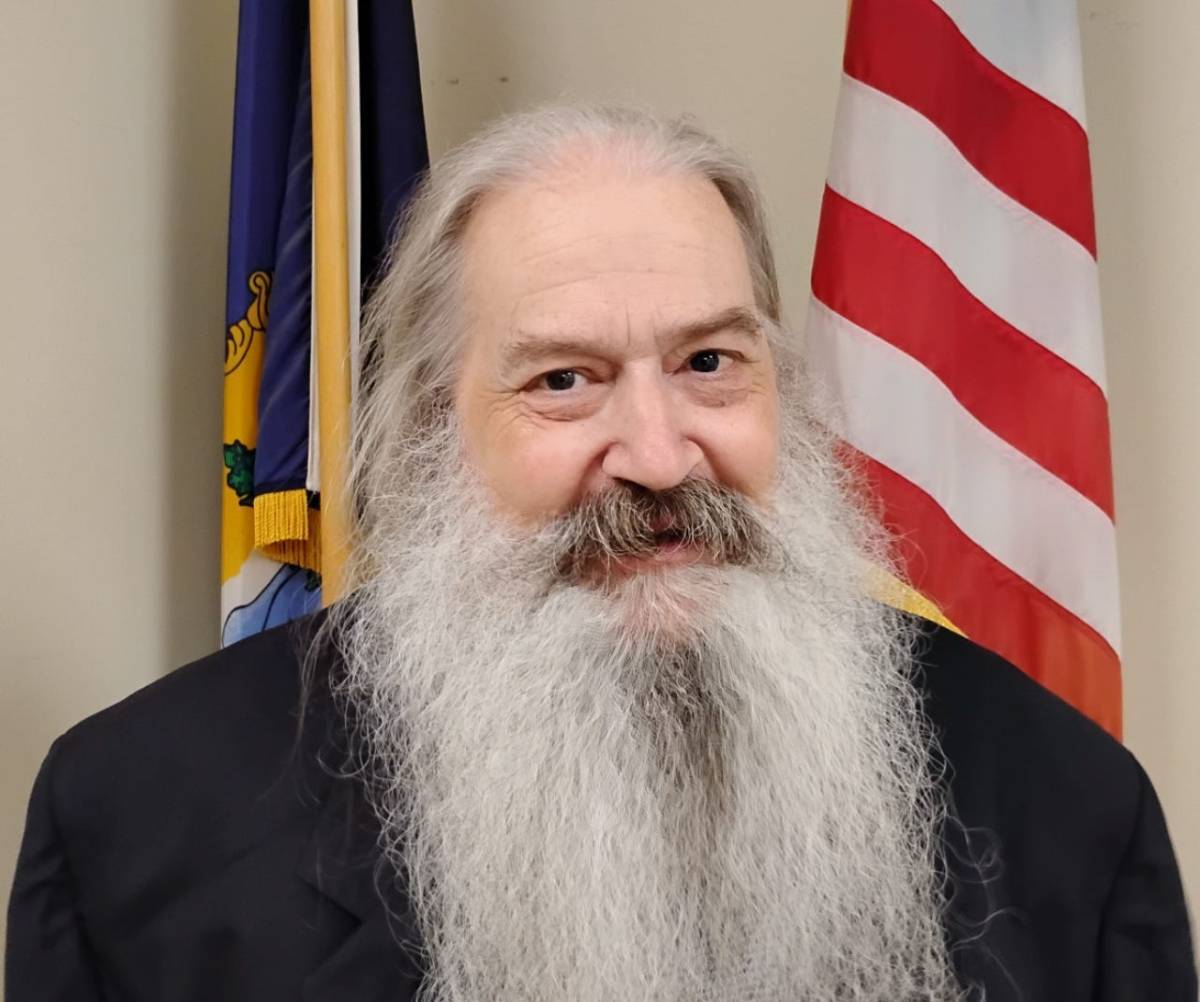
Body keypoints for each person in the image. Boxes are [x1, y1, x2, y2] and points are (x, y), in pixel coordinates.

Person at [6, 105, 1196, 1002]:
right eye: (563, 382)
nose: (660, 454)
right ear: (432, 429)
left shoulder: (1067, 811)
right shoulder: (137, 823)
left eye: (710, 365)